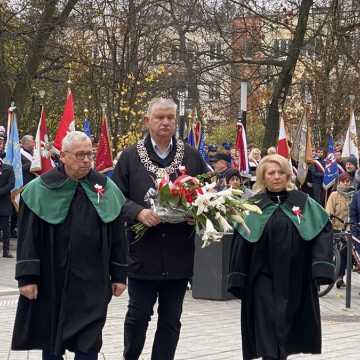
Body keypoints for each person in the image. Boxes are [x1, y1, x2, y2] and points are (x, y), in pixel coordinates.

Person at [11, 131, 128, 360]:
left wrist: (119, 274)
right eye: (80, 155)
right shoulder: (39, 189)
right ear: (63, 156)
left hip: (92, 281)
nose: (86, 160)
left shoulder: (106, 189)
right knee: (52, 339)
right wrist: (27, 278)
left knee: (89, 343)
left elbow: (118, 236)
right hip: (51, 278)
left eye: (89, 155)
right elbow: (27, 239)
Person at [112, 98, 208, 360]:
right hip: (143, 253)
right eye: (159, 117)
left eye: (170, 118)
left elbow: (206, 196)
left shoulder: (191, 155)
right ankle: (130, 355)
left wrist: (196, 215)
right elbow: (115, 198)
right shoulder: (130, 157)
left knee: (171, 319)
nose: (165, 122)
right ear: (147, 121)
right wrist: (138, 212)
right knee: (139, 314)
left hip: (178, 254)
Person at [228, 154, 334, 360]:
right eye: (271, 173)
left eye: (280, 173)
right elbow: (240, 242)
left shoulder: (304, 204)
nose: (276, 177)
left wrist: (320, 269)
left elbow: (322, 229)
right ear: (263, 177)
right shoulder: (253, 206)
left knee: (286, 326)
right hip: (262, 276)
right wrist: (237, 277)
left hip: (296, 277)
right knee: (266, 325)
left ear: (288, 176)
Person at [325, 172, 355, 288]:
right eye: (343, 181)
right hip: (336, 227)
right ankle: (329, 275)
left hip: (349, 228)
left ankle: (340, 277)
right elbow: (328, 210)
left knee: (345, 253)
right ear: (339, 182)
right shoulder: (334, 195)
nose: (345, 183)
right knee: (332, 252)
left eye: (347, 181)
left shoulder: (354, 195)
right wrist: (328, 219)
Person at [0, 134, 15, 258]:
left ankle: (6, 250)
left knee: (6, 228)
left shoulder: (9, 168)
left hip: (4, 203)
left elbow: (11, 184)